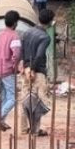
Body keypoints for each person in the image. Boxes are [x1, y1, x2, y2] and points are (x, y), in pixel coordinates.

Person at [19, 8, 54, 136]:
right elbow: (39, 55)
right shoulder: (45, 37)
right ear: (50, 22)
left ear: (39, 19)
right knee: (38, 101)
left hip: (26, 70)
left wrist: (24, 64)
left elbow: (21, 48)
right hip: (37, 71)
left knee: (25, 99)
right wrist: (33, 69)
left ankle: (23, 129)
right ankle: (34, 130)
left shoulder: (27, 32)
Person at [0, 10, 23, 131]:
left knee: (4, 96)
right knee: (12, 98)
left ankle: (2, 122)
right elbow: (16, 54)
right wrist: (15, 67)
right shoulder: (14, 36)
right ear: (15, 23)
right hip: (8, 71)